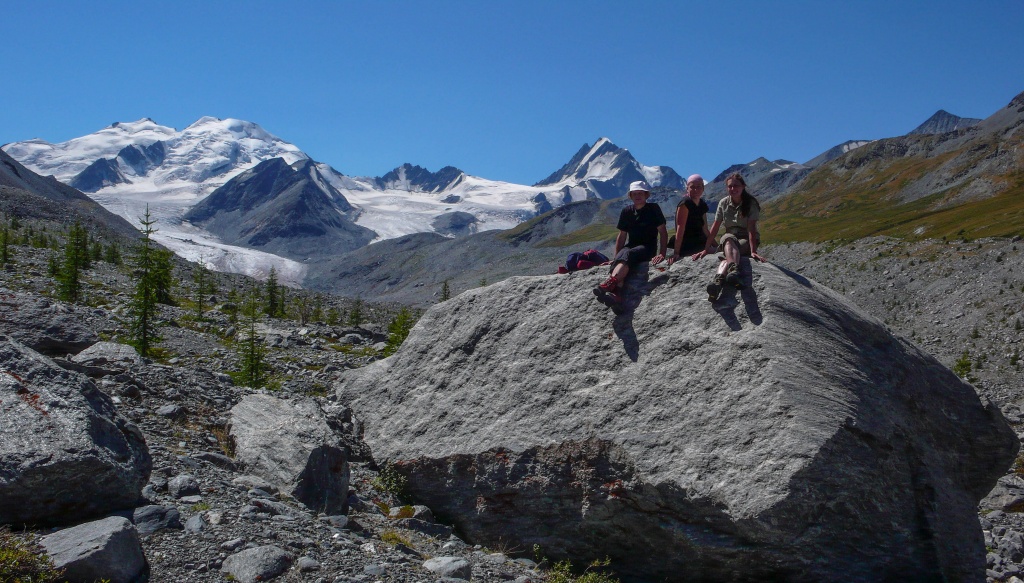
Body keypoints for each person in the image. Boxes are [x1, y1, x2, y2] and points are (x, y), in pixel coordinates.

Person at [594, 180, 667, 306]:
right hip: (631, 245)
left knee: (629, 254)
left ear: (646, 195)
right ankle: (617, 296)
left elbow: (663, 232)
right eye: (634, 194)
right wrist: (616, 258)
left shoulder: (653, 209)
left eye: (640, 193)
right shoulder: (627, 211)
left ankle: (611, 282)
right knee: (624, 253)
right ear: (630, 196)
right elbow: (622, 235)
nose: (637, 196)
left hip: (648, 247)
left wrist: (662, 253)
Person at [694, 172, 765, 301]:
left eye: (736, 186)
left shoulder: (751, 203)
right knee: (728, 240)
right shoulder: (723, 203)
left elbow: (751, 229)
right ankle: (733, 272)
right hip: (730, 237)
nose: (733, 189)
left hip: (745, 238)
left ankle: (718, 281)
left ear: (743, 186)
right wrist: (706, 248)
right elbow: (715, 227)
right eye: (730, 186)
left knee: (728, 254)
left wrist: (753, 250)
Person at [667, 174, 711, 264]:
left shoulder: (702, 204)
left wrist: (714, 244)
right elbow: (680, 228)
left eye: (699, 187)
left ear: (703, 188)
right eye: (692, 187)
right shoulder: (685, 203)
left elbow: (705, 228)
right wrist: (676, 252)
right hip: (687, 242)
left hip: (699, 239)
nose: (696, 190)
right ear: (687, 188)